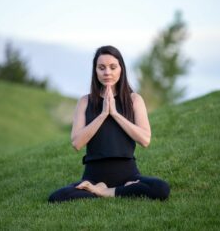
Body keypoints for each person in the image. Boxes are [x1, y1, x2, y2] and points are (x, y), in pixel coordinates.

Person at [48, 45, 170, 203]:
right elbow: (77, 143)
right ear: (95, 71)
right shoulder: (85, 101)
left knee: (161, 188)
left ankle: (106, 192)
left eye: (113, 67)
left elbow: (145, 140)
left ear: (121, 69)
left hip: (128, 176)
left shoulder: (134, 100)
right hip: (93, 177)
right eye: (101, 68)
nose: (107, 72)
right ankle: (105, 189)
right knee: (57, 197)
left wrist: (115, 114)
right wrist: (103, 114)